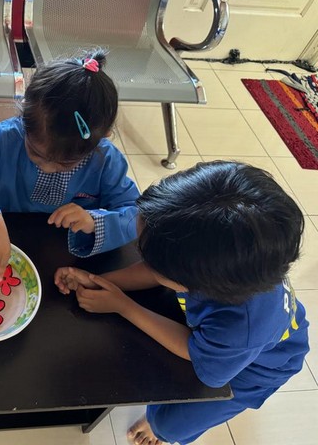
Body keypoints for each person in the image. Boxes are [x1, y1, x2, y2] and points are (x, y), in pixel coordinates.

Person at [54, 161, 309, 445]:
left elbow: (197, 352)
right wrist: (99, 280)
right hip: (231, 335)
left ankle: (159, 431)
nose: (138, 252)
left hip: (258, 369)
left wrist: (123, 306)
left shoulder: (240, 329)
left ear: (193, 282)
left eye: (147, 255)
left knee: (172, 421)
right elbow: (156, 270)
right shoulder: (214, 259)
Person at [0, 49, 139, 274]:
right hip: (7, 235)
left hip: (66, 260)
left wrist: (93, 221)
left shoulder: (106, 161)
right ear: (25, 118)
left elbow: (135, 214)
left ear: (103, 137)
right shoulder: (8, 139)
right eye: (36, 153)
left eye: (65, 164)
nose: (47, 168)